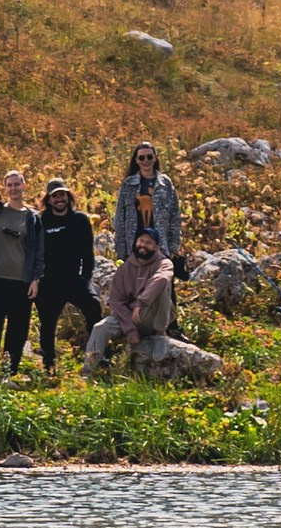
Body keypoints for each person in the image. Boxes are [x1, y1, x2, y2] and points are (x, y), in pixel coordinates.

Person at [84, 220, 176, 375]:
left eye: (149, 243)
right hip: (130, 317)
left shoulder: (164, 263)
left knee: (162, 286)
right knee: (100, 327)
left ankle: (160, 334)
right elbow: (117, 302)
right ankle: (90, 369)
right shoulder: (125, 268)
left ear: (156, 246)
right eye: (141, 241)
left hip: (151, 316)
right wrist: (131, 329)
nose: (143, 245)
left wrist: (141, 302)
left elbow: (160, 279)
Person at [0, 168, 41, 375]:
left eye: (17, 184)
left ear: (25, 186)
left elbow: (39, 251)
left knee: (18, 330)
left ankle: (8, 371)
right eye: (9, 185)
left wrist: (35, 279)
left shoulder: (33, 218)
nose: (13, 188)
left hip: (21, 281)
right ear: (5, 188)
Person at [35, 176, 99, 372]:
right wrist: (37, 279)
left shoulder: (80, 220)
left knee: (94, 307)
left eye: (62, 195)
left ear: (68, 196)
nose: (59, 199)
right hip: (48, 281)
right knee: (47, 324)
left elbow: (88, 253)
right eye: (54, 196)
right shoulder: (40, 221)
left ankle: (95, 357)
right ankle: (49, 365)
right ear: (48, 200)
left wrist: (85, 278)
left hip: (73, 278)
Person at [114, 141, 183, 275]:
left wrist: (174, 246)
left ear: (155, 158)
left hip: (160, 246)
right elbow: (119, 219)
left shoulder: (165, 183)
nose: (146, 161)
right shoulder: (128, 184)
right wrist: (121, 250)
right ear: (136, 160)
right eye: (142, 157)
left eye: (149, 157)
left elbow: (175, 217)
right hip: (134, 246)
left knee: (162, 288)